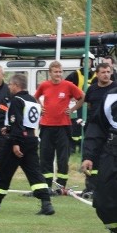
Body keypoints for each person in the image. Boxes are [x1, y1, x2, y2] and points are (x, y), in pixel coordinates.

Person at [0, 74, 54, 215]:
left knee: (4, 172)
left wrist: (15, 142)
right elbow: (27, 122)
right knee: (35, 173)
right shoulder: (33, 100)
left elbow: (17, 123)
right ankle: (46, 203)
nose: (9, 87)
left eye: (10, 85)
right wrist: (9, 128)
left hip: (18, 140)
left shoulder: (16, 101)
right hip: (31, 139)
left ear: (17, 85)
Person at [81, 81, 117, 233]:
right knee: (103, 202)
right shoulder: (110, 95)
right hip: (112, 152)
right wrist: (88, 156)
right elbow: (97, 128)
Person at [34, 61, 85, 192]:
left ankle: (61, 187)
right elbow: (35, 97)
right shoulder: (44, 85)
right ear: (50, 73)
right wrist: (40, 106)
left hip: (63, 126)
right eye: (55, 72)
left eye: (60, 72)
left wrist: (72, 109)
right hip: (46, 126)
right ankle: (46, 186)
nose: (58, 74)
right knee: (46, 157)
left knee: (63, 158)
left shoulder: (68, 85)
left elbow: (82, 97)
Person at [79, 62, 114, 198]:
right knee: (91, 157)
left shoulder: (115, 87)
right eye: (103, 72)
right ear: (97, 74)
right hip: (94, 128)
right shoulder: (92, 89)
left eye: (108, 72)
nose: (106, 74)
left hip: (110, 129)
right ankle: (90, 188)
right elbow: (89, 105)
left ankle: (106, 188)